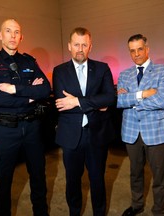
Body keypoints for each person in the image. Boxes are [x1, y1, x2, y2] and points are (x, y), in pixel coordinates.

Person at [0, 18, 50, 216]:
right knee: (3, 181)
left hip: (32, 128)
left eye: (16, 32)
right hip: (6, 130)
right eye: (8, 31)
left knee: (38, 177)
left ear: (21, 37)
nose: (12, 35)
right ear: (0, 35)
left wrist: (15, 89)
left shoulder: (29, 61)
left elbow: (45, 89)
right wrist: (29, 97)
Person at [52, 27, 116, 216]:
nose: (80, 49)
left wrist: (77, 101)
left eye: (84, 45)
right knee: (72, 181)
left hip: (97, 134)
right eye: (77, 44)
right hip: (71, 136)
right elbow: (62, 103)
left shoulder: (102, 68)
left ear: (90, 47)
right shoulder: (59, 71)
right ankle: (74, 212)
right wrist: (95, 103)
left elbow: (110, 98)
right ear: (70, 46)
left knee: (97, 180)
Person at [117, 34, 164, 216]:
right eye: (132, 50)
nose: (136, 54)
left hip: (157, 131)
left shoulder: (163, 71)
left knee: (159, 176)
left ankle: (159, 211)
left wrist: (131, 98)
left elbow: (163, 100)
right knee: (135, 173)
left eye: (140, 49)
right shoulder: (124, 74)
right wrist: (143, 94)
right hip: (131, 131)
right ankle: (137, 205)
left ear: (147, 49)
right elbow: (120, 101)